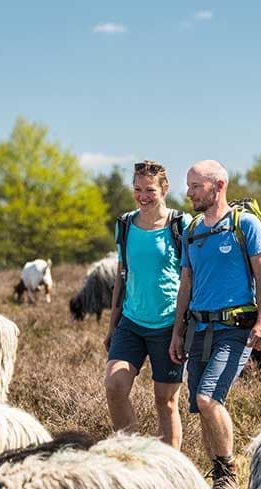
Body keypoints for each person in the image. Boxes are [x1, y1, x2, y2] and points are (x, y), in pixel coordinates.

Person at [169, 159, 261, 489]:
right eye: (189, 185)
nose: (189, 192)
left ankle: (228, 473)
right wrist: (178, 330)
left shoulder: (246, 225)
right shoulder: (193, 229)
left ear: (219, 185)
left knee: (207, 397)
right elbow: (187, 282)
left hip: (235, 329)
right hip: (199, 327)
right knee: (202, 408)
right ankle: (217, 475)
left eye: (196, 186)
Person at [104, 160, 192, 449]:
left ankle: (170, 469)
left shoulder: (182, 225)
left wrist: (182, 330)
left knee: (165, 402)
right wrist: (112, 325)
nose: (143, 195)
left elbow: (192, 276)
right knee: (115, 388)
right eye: (138, 189)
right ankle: (134, 456)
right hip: (131, 322)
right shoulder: (125, 225)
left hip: (169, 325)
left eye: (150, 190)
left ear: (164, 189)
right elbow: (121, 274)